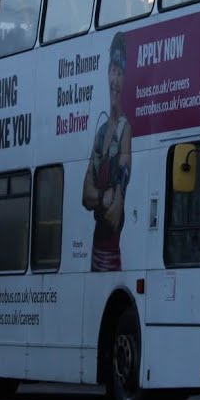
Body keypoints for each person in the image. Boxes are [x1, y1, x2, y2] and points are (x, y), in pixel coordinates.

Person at [83, 32, 132, 271]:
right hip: (94, 254)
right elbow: (85, 194)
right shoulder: (101, 132)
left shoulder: (125, 130)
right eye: (112, 71)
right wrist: (104, 197)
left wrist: (113, 194)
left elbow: (116, 207)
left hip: (110, 260)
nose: (115, 80)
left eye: (120, 73)